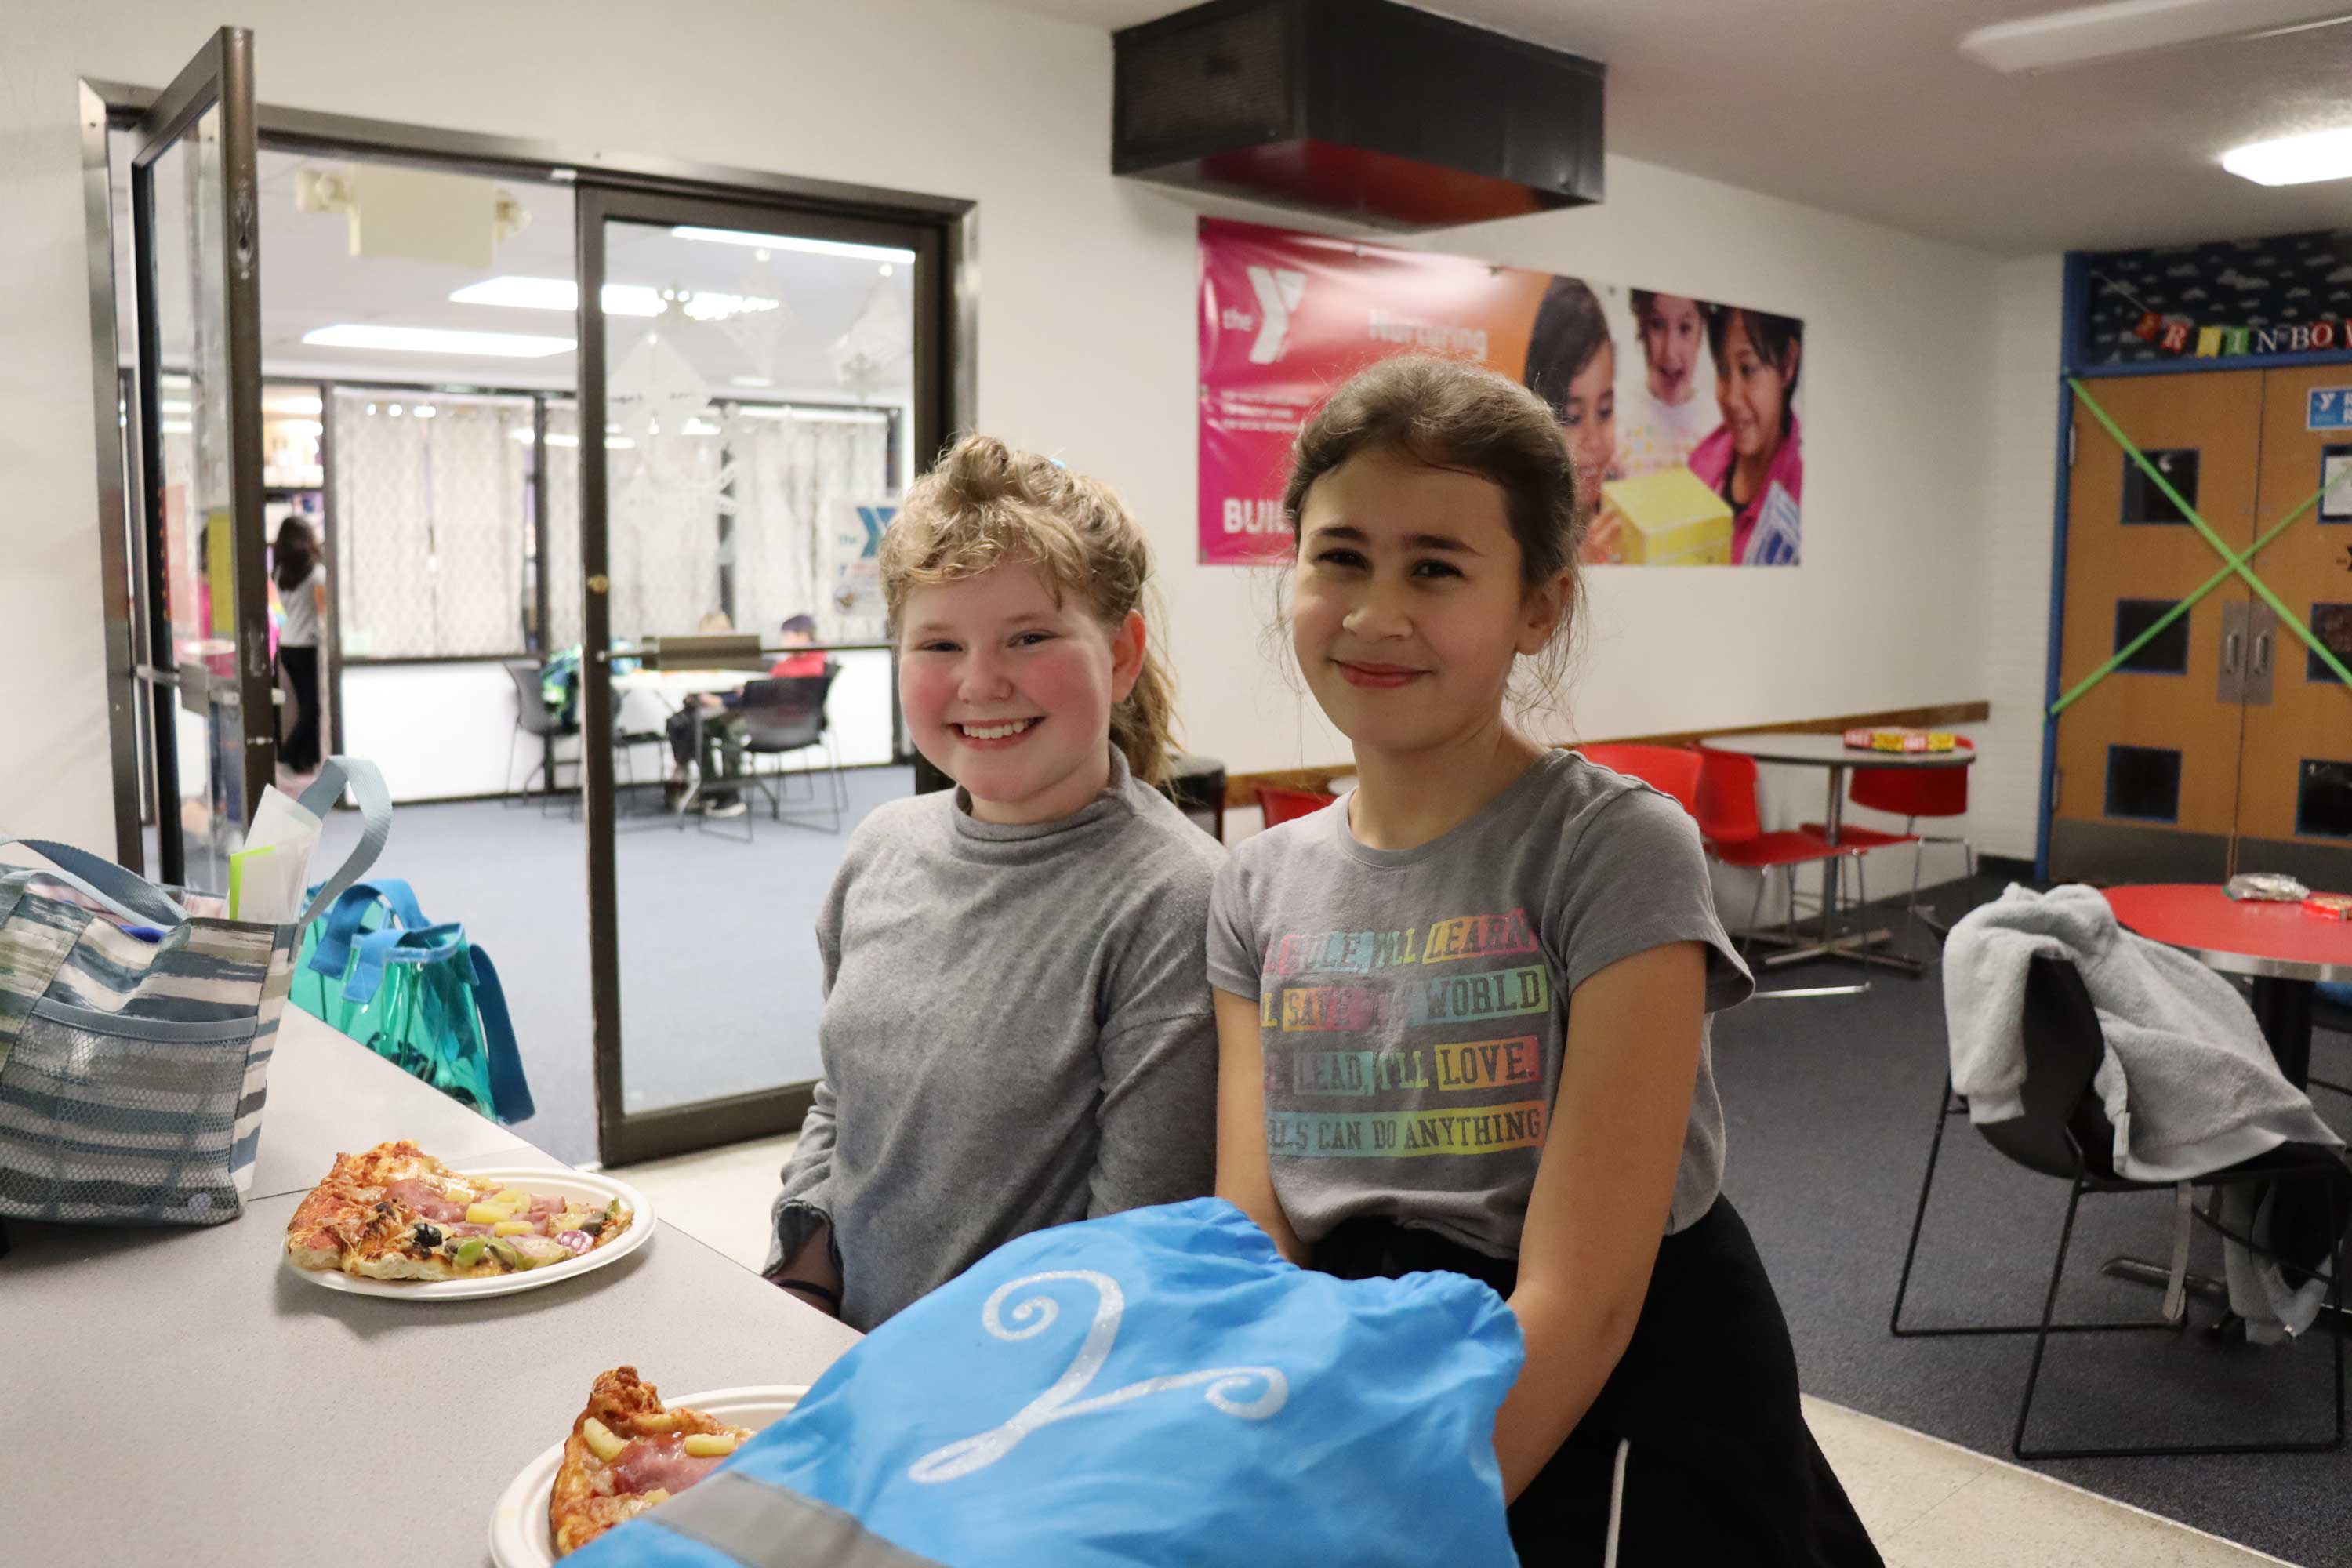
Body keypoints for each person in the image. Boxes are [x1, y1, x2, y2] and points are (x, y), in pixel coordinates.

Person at [1207, 355, 1879, 1564]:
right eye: (1341, 556)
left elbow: (1587, 1296)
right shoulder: (1255, 884)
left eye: (1437, 569)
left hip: (1604, 1379)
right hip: (1364, 1353)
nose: (1376, 613)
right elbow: (1258, 1229)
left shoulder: (1613, 848)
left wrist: (1400, 1524)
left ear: (1539, 607)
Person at [764, 435, 1225, 1330]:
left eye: (1030, 636)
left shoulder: (1175, 898)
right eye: (939, 642)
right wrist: (803, 1282)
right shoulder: (881, 848)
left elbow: (1132, 1249)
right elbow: (842, 1096)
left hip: (1013, 1409)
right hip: (840, 1354)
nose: (981, 681)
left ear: (1123, 654)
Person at [1689, 305, 1804, 567]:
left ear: (1787, 365)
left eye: (1748, 369)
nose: (1731, 397)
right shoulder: (1702, 464)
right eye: (1723, 371)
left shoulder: (1802, 494)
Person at [1520, 276, 1624, 566]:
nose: (1594, 440)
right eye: (1572, 417)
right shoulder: (1514, 529)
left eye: (1605, 411)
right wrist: (1580, 569)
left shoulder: (1621, 508)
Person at [1618, 290, 1715, 477]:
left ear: (1701, 333)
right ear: (1641, 329)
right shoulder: (1615, 410)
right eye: (1657, 325)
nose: (1670, 352)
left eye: (1685, 328)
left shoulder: (1719, 423)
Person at [272, 516, 327, 776]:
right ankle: (287, 754)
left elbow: (277, 614)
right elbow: (323, 612)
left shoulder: (280, 573)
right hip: (308, 646)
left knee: (303, 705)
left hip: (286, 646)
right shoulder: (317, 574)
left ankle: (301, 759)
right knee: (312, 708)